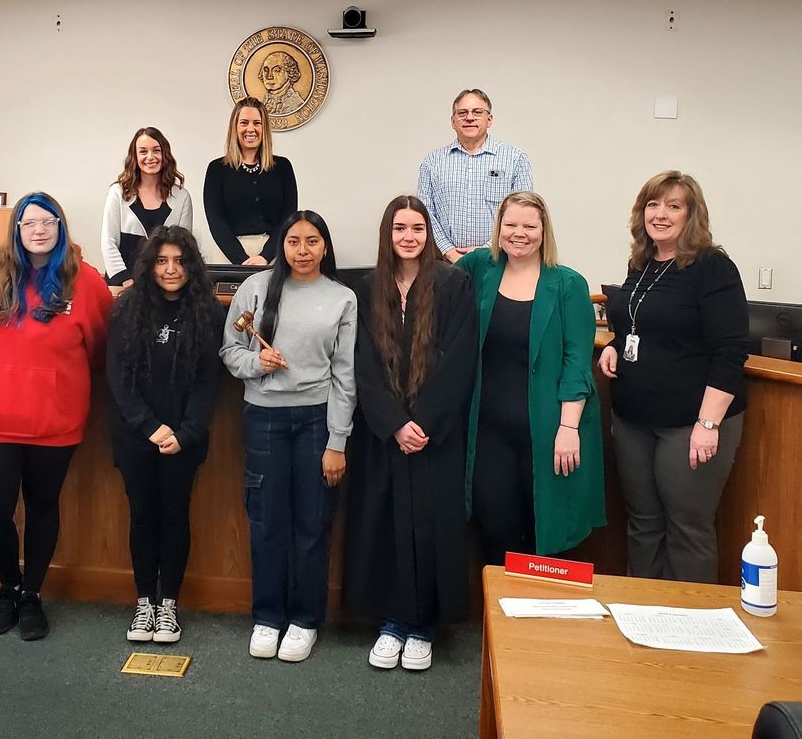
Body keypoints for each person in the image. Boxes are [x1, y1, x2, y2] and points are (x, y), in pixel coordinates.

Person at [343, 196, 478, 672]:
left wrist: (423, 422)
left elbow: (462, 359)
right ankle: (392, 622)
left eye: (417, 228)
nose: (408, 237)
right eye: (399, 228)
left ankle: (423, 626)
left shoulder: (454, 284)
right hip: (384, 434)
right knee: (385, 524)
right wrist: (393, 423)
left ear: (427, 233)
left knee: (430, 525)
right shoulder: (365, 289)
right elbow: (359, 363)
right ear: (388, 233)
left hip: (434, 434)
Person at [0, 192, 114, 640]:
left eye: (47, 222)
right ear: (17, 229)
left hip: (55, 420)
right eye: (29, 222)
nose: (38, 230)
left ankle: (32, 594)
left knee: (41, 508)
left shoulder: (85, 281)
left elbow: (99, 347)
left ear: (60, 226)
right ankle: (7, 587)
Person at [598, 171, 748, 584]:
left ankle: (692, 633)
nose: (660, 214)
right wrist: (616, 343)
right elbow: (635, 323)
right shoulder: (641, 262)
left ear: (690, 215)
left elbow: (730, 351)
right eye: (652, 204)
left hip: (690, 424)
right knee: (642, 524)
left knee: (687, 528)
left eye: (673, 206)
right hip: (634, 420)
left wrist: (707, 424)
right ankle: (639, 617)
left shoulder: (713, 267)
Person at [221, 211, 356, 663]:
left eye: (312, 241)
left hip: (317, 421)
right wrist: (255, 365)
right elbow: (231, 349)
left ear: (325, 246)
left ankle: (305, 620)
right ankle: (267, 616)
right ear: (281, 245)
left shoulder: (341, 298)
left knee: (313, 524)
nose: (302, 251)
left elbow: (345, 376)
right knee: (266, 520)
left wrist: (337, 441)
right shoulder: (254, 289)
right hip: (263, 418)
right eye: (294, 241)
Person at [461, 191, 604, 566]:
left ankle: (545, 621)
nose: (518, 233)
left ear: (544, 230)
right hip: (490, 432)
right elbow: (429, 287)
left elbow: (577, 361)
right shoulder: (480, 269)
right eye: (510, 224)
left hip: (551, 431)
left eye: (529, 225)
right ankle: (503, 620)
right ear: (498, 228)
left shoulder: (568, 284)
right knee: (496, 528)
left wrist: (568, 428)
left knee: (551, 530)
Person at [107, 226, 225, 644]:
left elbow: (208, 383)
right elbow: (119, 381)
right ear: (149, 265)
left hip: (184, 439)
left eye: (179, 261)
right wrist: (151, 428)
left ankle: (169, 605)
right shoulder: (127, 308)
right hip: (136, 435)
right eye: (161, 261)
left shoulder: (210, 312)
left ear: (191, 265)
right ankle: (144, 604)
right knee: (142, 516)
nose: (171, 269)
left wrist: (185, 432)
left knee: (175, 516)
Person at [417, 88, 533, 261]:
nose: (469, 117)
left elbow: (523, 212)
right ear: (453, 121)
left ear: (489, 119)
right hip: (446, 263)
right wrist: (449, 251)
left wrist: (487, 249)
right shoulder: (432, 162)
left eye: (477, 112)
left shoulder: (515, 159)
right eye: (462, 113)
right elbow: (425, 212)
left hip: (499, 259)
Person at [203, 97, 298, 266]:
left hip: (274, 254)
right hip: (229, 256)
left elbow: (288, 216)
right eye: (244, 123)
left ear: (264, 128)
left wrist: (265, 256)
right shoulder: (216, 169)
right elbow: (216, 221)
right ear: (235, 127)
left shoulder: (283, 167)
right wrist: (242, 261)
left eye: (257, 123)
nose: (251, 129)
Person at [101, 126, 192, 286]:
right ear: (135, 157)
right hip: (123, 286)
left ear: (165, 154)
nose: (150, 157)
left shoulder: (181, 197)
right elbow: (108, 242)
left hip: (164, 287)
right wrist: (126, 281)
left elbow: (183, 249)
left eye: (156, 150)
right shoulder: (118, 193)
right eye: (143, 151)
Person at [259, 50, 307, 117]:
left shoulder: (295, 104)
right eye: (266, 70)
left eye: (276, 70)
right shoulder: (265, 102)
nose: (269, 76)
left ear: (289, 73)